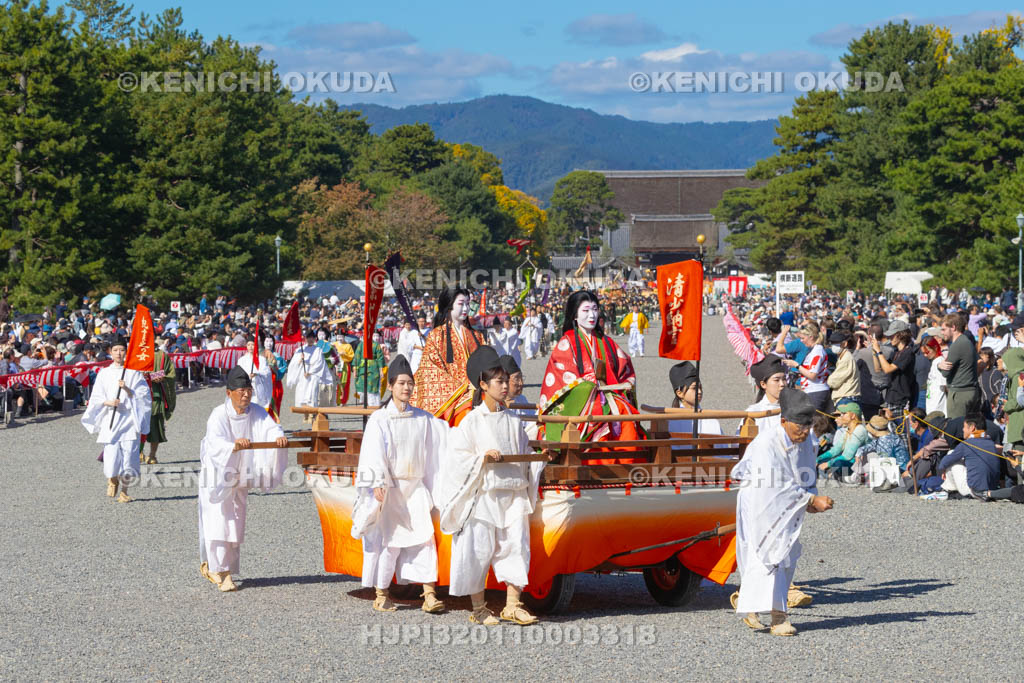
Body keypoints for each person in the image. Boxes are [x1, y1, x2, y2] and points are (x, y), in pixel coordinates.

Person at [439, 346, 551, 626]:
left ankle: (513, 605)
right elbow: (457, 459)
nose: (504, 386)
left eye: (505, 381)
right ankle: (478, 608)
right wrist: (481, 459)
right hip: (484, 495)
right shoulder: (470, 422)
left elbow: (526, 455)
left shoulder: (514, 421)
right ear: (483, 385)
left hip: (512, 494)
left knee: (516, 546)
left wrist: (541, 458)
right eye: (499, 382)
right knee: (478, 549)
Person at [731, 388, 833, 636]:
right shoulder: (767, 443)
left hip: (788, 505)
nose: (805, 431)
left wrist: (811, 499)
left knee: (786, 556)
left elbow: (807, 473)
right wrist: (810, 499)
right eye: (799, 426)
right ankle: (777, 617)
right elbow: (774, 483)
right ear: (784, 421)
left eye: (808, 426)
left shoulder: (806, 441)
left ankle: (757, 603)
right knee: (765, 556)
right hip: (760, 502)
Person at [351, 355, 447, 614]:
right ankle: (381, 594)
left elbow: (446, 437)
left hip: (415, 488)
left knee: (425, 540)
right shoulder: (380, 419)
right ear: (391, 385)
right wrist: (377, 482)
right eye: (401, 383)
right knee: (391, 543)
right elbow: (372, 451)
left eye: (410, 384)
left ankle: (429, 594)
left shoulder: (423, 419)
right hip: (391, 490)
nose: (407, 388)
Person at [197, 366, 289, 592]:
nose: (246, 395)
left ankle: (221, 567)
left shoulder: (256, 411)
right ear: (229, 393)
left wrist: (278, 438)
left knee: (235, 524)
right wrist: (233, 446)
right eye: (241, 391)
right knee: (219, 523)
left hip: (240, 477)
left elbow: (270, 427)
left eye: (248, 390)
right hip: (217, 478)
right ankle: (221, 572)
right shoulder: (218, 414)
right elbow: (214, 444)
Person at [538, 291, 643, 457]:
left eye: (595, 309)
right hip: (582, 402)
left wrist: (625, 385)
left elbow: (625, 368)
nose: (592, 315)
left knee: (624, 412)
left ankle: (626, 461)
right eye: (585, 310)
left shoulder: (607, 342)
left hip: (611, 396)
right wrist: (591, 387)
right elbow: (561, 378)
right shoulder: (566, 343)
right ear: (574, 315)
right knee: (603, 412)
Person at [80, 335, 151, 503]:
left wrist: (127, 389)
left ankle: (125, 491)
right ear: (110, 352)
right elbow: (96, 397)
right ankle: (112, 478)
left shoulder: (134, 373)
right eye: (115, 350)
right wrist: (108, 402)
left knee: (130, 457)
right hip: (111, 418)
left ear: (126, 352)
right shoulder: (104, 373)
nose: (119, 353)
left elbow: (143, 396)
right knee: (112, 455)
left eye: (122, 350)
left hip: (129, 419)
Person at [411, 287, 483, 426]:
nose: (466, 308)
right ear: (449, 306)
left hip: (477, 392)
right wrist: (463, 389)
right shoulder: (437, 335)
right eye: (461, 304)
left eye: (468, 304)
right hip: (453, 397)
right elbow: (429, 370)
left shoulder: (477, 336)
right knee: (467, 413)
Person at [935, 413, 1002, 500]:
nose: (963, 429)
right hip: (991, 490)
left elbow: (945, 461)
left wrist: (943, 468)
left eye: (964, 427)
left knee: (951, 453)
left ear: (972, 428)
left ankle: (948, 489)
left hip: (974, 491)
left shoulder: (966, 444)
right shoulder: (991, 443)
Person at [667, 361, 722, 445]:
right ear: (679, 393)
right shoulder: (671, 421)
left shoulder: (712, 420)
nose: (699, 392)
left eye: (700, 388)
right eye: (694, 388)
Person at [854, 414, 910, 492]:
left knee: (872, 457)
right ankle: (861, 476)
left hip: (900, 470)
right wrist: (859, 452)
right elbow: (870, 446)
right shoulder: (887, 437)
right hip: (901, 466)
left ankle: (881, 481)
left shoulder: (885, 442)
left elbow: (886, 461)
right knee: (869, 454)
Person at [939, 314, 980, 418]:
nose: (942, 333)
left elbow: (945, 372)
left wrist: (939, 365)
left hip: (960, 394)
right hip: (970, 391)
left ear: (953, 327)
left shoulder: (957, 344)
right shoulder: (967, 341)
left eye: (944, 329)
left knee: (957, 430)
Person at [144, 333, 177, 465]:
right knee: (135, 428)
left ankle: (152, 455)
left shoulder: (162, 356)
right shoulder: (134, 357)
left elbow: (170, 374)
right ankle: (139, 453)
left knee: (156, 427)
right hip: (136, 399)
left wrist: (155, 376)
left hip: (155, 397)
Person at [816, 403, 869, 481]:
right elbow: (835, 450)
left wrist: (828, 464)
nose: (841, 416)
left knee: (837, 463)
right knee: (821, 461)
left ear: (853, 416)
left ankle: (843, 476)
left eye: (844, 414)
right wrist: (818, 459)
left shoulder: (859, 430)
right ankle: (835, 476)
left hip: (855, 464)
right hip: (846, 462)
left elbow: (848, 456)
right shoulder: (847, 430)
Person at [286, 329, 330, 423]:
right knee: (302, 393)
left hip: (313, 375)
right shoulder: (300, 350)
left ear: (315, 339)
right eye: (308, 338)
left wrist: (310, 371)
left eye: (312, 338)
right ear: (305, 339)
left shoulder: (318, 350)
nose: (310, 340)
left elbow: (320, 363)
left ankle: (311, 414)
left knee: (312, 394)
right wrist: (300, 360)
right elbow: (293, 364)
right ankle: (305, 414)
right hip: (302, 374)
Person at [236, 335, 276, 414]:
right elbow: (238, 374)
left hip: (258, 386)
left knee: (259, 409)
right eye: (248, 345)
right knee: (247, 409)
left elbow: (267, 372)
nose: (250, 347)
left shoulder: (261, 359)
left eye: (252, 345)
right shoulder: (241, 360)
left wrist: (257, 374)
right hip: (246, 388)